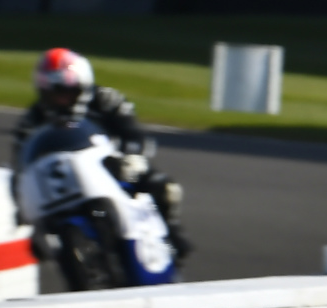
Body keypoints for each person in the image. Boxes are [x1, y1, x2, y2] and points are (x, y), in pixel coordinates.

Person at [13, 47, 193, 259]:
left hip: (110, 166)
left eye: (66, 91)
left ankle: (172, 235)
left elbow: (134, 134)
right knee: (36, 238)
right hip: (63, 181)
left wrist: (130, 157)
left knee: (163, 186)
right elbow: (20, 161)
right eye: (53, 93)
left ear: (82, 85)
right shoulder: (32, 120)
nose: (60, 99)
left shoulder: (106, 99)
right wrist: (22, 199)